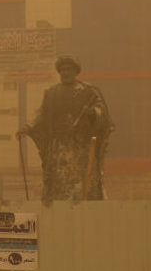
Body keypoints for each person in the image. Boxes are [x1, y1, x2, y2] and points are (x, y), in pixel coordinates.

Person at [18, 55, 113, 202]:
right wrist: (28, 127)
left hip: (82, 147)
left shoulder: (89, 91)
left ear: (76, 71)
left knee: (83, 184)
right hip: (59, 148)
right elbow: (42, 115)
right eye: (62, 70)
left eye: (68, 69)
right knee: (59, 184)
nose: (65, 73)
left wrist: (93, 113)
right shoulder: (52, 93)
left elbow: (103, 113)